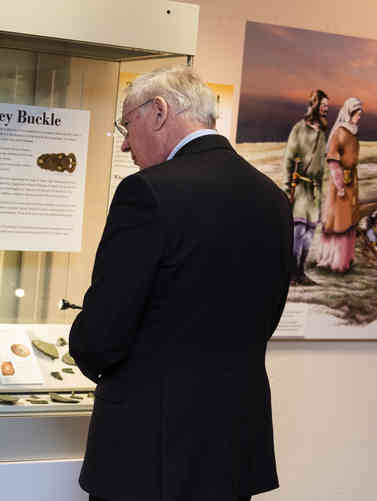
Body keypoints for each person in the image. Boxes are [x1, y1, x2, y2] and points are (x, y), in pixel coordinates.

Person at [68, 66, 292, 501]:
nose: (127, 142)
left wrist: (87, 349)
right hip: (232, 450)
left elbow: (104, 331)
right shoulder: (272, 197)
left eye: (126, 124)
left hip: (150, 451)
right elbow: (266, 315)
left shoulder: (146, 193)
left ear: (158, 112)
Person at [282, 89, 329, 285]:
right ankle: (292, 272)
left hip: (314, 192)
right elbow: (288, 159)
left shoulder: (322, 133)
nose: (326, 108)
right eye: (324, 104)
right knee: (298, 232)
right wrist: (287, 189)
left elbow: (323, 167)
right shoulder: (299, 129)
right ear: (316, 105)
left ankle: (301, 272)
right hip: (299, 187)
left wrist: (323, 195)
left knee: (310, 234)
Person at [318, 97, 363, 272]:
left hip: (351, 183)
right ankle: (334, 261)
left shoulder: (352, 133)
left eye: (360, 114)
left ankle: (345, 261)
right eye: (357, 114)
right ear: (349, 113)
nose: (359, 117)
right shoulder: (340, 132)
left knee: (349, 222)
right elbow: (333, 161)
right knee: (338, 223)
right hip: (341, 187)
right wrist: (340, 185)